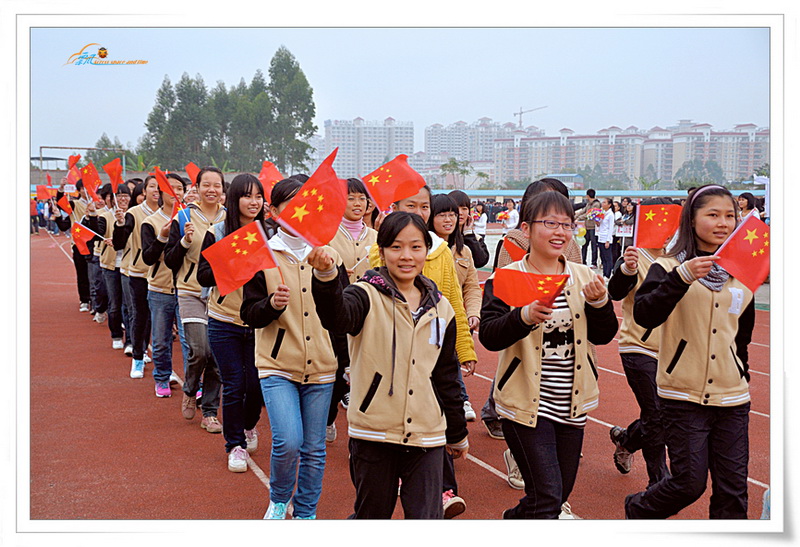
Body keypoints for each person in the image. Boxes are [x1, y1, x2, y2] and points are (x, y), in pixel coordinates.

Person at [310, 211, 469, 519]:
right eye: (396, 247)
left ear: (427, 250)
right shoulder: (363, 295)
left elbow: (446, 376)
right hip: (374, 433)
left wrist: (457, 432)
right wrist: (327, 277)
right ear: (381, 252)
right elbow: (336, 317)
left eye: (415, 247)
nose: (406, 256)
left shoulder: (442, 308)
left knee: (426, 519)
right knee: (373, 516)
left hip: (427, 433)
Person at [480, 191, 618, 519]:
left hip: (572, 405)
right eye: (550, 223)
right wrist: (523, 317)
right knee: (549, 498)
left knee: (552, 497)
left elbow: (604, 334)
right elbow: (489, 336)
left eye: (566, 224)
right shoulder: (506, 278)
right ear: (526, 229)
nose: (560, 232)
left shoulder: (584, 276)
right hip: (524, 404)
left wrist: (599, 304)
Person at [625, 184, 755, 519]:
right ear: (692, 220)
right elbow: (645, 314)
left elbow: (743, 335)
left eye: (730, 216)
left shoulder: (744, 274)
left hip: (732, 398)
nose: (723, 222)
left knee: (733, 490)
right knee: (688, 483)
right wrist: (681, 278)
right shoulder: (668, 268)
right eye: (712, 214)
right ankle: (639, 510)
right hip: (682, 396)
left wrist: (743, 374)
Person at [240, 178, 349, 520]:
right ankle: (278, 498)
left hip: (323, 366)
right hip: (277, 365)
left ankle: (305, 513)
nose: (301, 209)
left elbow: (342, 313)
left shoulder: (330, 252)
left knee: (315, 448)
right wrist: (271, 304)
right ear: (274, 211)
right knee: (288, 441)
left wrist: (344, 363)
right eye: (291, 202)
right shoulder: (263, 253)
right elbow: (249, 313)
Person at [366, 184, 477, 518]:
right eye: (410, 205)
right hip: (391, 356)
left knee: (437, 409)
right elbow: (370, 282)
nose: (419, 212)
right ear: (394, 206)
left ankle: (443, 489)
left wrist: (465, 348)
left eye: (424, 206)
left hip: (434, 347)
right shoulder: (381, 248)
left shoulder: (441, 250)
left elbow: (453, 299)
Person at [197, 173, 266, 472]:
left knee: (257, 385)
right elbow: (202, 276)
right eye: (248, 196)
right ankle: (234, 444)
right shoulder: (218, 232)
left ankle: (249, 425)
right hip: (224, 320)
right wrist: (232, 261)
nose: (254, 202)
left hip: (261, 322)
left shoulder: (269, 234)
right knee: (235, 384)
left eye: (259, 196)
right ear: (235, 197)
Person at [606, 198, 673, 488]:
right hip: (639, 347)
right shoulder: (634, 256)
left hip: (675, 352)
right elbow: (615, 292)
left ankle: (627, 439)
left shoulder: (682, 259)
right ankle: (659, 480)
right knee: (657, 414)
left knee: (666, 416)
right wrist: (627, 269)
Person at [164, 166, 226, 434]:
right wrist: (186, 241)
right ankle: (190, 389)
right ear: (197, 188)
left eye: (217, 185)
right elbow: (169, 260)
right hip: (190, 290)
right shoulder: (184, 217)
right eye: (206, 185)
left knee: (217, 356)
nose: (211, 190)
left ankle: (210, 412)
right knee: (199, 349)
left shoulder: (231, 219)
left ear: (223, 190)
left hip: (221, 295)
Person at [325, 178, 376, 442]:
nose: (357, 204)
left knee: (367, 373)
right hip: (338, 314)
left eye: (362, 199)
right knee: (338, 370)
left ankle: (362, 434)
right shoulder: (327, 235)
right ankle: (328, 417)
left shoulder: (378, 238)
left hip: (370, 315)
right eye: (351, 198)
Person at [141, 173, 188, 399]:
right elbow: (148, 258)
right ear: (160, 192)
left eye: (180, 188)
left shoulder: (189, 219)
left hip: (187, 289)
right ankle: (161, 377)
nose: (176, 193)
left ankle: (193, 383)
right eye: (171, 188)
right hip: (160, 290)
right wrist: (162, 237)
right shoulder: (150, 222)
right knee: (160, 340)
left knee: (189, 342)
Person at [113, 177, 158, 377]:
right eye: (152, 187)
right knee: (140, 316)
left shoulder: (175, 213)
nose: (156, 190)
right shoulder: (134, 213)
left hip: (165, 277)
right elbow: (119, 243)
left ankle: (163, 367)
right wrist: (120, 225)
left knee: (161, 322)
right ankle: (138, 358)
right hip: (140, 273)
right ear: (144, 190)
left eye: (160, 187)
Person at [449, 190, 489, 269]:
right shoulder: (442, 236)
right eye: (456, 208)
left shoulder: (475, 238)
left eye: (464, 208)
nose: (460, 212)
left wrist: (468, 233)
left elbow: (480, 261)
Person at [575, 189, 599, 267]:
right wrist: (574, 217)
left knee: (593, 245)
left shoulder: (596, 204)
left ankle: (594, 262)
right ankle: (583, 261)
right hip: (587, 227)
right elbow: (583, 211)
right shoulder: (588, 204)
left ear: (588, 196)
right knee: (584, 244)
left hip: (593, 227)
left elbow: (590, 215)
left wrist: (579, 218)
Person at [595, 197, 616, 279]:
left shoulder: (611, 214)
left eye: (604, 202)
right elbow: (599, 224)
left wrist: (608, 240)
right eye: (602, 202)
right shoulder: (602, 212)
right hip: (600, 236)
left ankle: (607, 274)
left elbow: (611, 228)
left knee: (608, 257)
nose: (602, 204)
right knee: (602, 256)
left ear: (609, 205)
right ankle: (604, 273)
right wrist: (596, 221)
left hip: (606, 237)